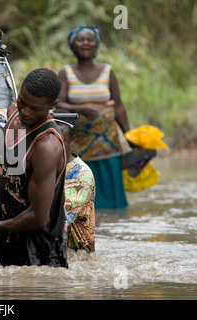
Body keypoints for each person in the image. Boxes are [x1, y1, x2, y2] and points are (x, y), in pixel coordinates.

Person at [0, 68, 68, 268]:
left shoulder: (46, 146)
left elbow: (38, 218)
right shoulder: (12, 115)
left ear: (52, 105)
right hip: (2, 237)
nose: (25, 112)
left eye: (35, 108)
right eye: (22, 102)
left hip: (36, 251)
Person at [57, 25, 131, 209]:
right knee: (82, 191)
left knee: (112, 195)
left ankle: (114, 224)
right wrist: (81, 108)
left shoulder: (107, 71)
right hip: (79, 142)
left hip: (109, 143)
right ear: (73, 45)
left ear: (96, 44)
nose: (85, 43)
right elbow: (58, 104)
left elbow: (119, 106)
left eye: (89, 39)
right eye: (80, 40)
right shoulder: (66, 72)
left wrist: (129, 135)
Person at [53, 109, 95, 254]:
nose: (54, 147)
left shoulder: (81, 175)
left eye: (60, 141)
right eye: (50, 140)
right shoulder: (43, 165)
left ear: (72, 140)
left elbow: (57, 220)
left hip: (76, 255)